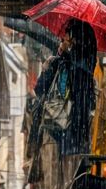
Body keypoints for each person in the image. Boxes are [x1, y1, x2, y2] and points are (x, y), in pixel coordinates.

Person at [28, 20, 98, 158]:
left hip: (60, 130)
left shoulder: (65, 66)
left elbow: (40, 89)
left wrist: (57, 60)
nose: (61, 41)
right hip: (76, 136)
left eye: (64, 39)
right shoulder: (85, 70)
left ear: (73, 41)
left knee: (65, 163)